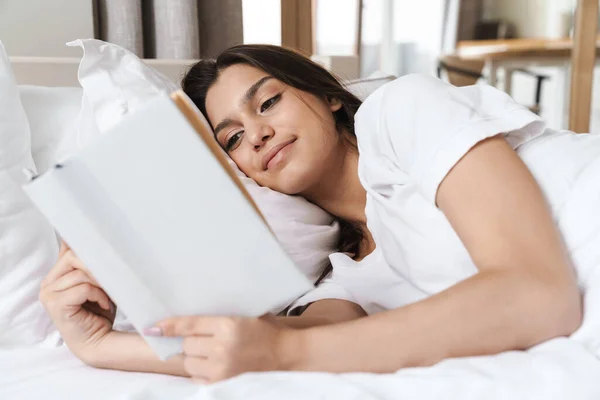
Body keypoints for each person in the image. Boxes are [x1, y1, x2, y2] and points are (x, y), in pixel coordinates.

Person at [40, 44, 600, 384]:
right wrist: (97, 345)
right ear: (245, 175)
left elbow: (538, 294)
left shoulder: (399, 113)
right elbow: (244, 347)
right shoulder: (343, 278)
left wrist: (286, 347)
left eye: (268, 102)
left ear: (327, 95)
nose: (256, 134)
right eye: (232, 138)